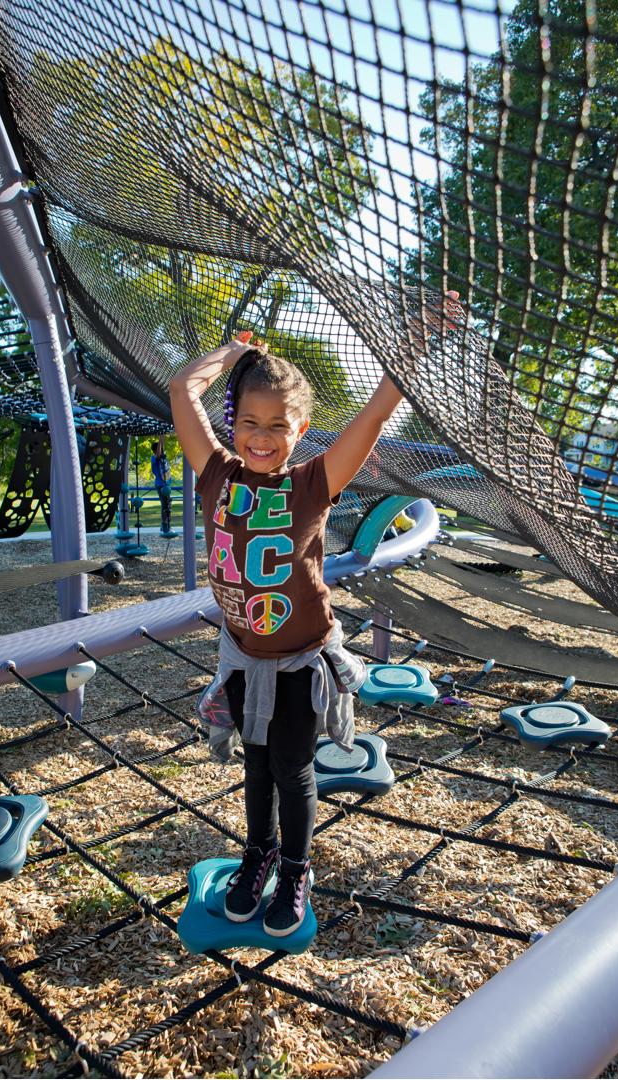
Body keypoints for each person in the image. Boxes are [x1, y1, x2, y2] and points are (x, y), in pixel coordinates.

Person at [168, 294, 459, 937]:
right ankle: (257, 853)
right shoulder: (215, 472)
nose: (261, 437)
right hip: (242, 654)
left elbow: (377, 413)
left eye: (278, 425)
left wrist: (415, 341)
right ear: (233, 424)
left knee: (291, 768)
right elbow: (180, 388)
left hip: (301, 659)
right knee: (255, 762)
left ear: (300, 432)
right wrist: (235, 355)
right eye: (249, 421)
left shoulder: (312, 484)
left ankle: (294, 866)